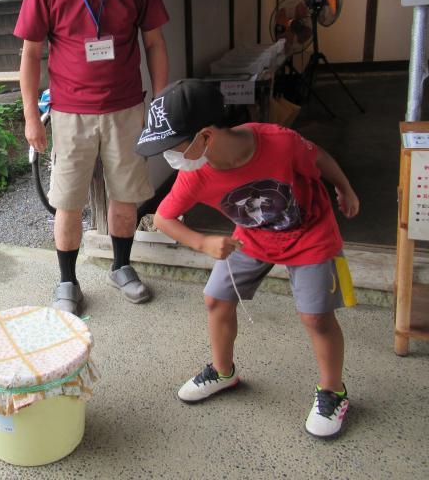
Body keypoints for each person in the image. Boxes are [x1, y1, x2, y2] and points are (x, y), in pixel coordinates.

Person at [139, 79, 359, 439]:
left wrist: (344, 188)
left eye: (174, 146)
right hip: (252, 238)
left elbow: (317, 156)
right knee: (215, 298)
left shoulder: (280, 143)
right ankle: (224, 372)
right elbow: (163, 219)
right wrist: (203, 243)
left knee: (316, 317)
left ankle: (333, 391)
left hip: (310, 234)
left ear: (206, 137)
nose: (170, 156)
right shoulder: (195, 176)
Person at [14, 0, 170, 316]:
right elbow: (30, 55)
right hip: (70, 112)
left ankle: (122, 266)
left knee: (125, 196)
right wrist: (32, 117)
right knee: (67, 199)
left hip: (125, 108)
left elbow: (154, 42)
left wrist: (159, 102)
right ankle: (67, 282)